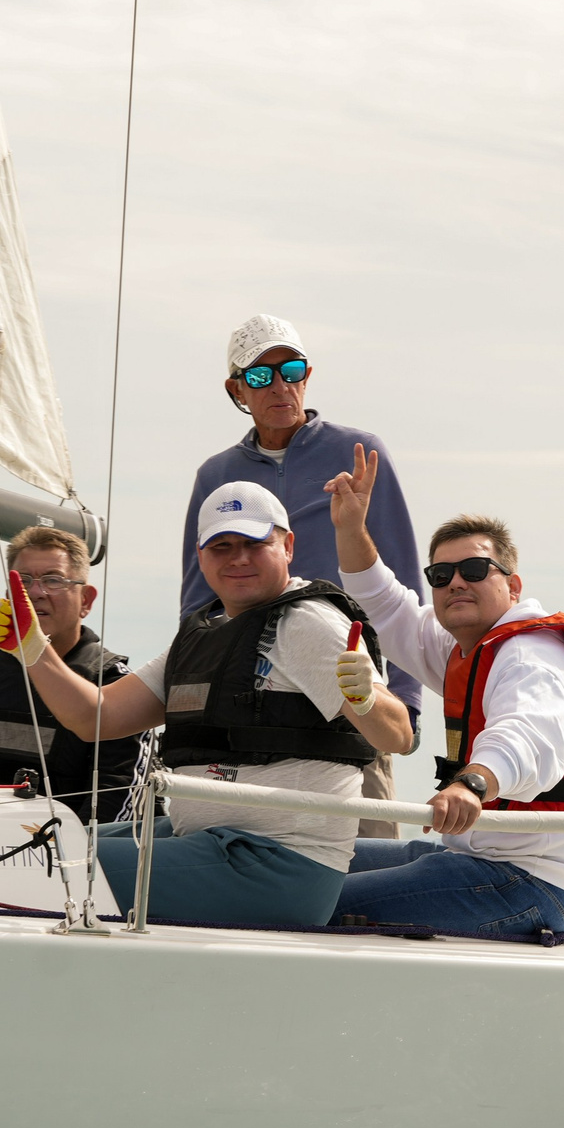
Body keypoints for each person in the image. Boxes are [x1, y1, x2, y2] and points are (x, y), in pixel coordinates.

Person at [4, 481, 412, 928]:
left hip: (278, 866)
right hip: (212, 844)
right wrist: (34, 649)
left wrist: (366, 699)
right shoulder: (203, 634)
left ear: (288, 545)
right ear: (201, 555)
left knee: (31, 861)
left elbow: (398, 736)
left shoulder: (307, 623)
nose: (238, 558)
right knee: (41, 838)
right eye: (222, 546)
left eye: (254, 543)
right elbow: (96, 718)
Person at [324, 445, 564, 938]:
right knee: (301, 858)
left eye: (475, 570)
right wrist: (350, 529)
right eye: (441, 576)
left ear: (512, 585)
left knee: (301, 898)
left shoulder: (534, 658)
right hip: (474, 855)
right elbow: (383, 602)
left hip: (532, 881)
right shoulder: (463, 647)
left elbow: (528, 735)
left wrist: (473, 784)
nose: (456, 583)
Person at [183, 313, 425, 830]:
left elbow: (401, 584)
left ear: (307, 376)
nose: (279, 385)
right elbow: (197, 602)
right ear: (236, 389)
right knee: (246, 856)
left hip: (353, 697)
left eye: (290, 369)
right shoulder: (215, 476)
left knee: (366, 869)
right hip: (252, 714)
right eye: (258, 376)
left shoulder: (360, 454)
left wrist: (405, 705)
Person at [0, 523, 141, 815]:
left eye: (54, 580)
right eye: (24, 580)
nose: (36, 592)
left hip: (69, 853)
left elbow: (116, 798)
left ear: (86, 600)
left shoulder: (115, 686)